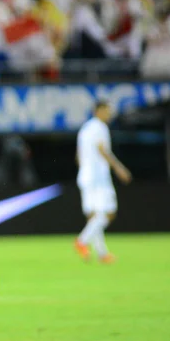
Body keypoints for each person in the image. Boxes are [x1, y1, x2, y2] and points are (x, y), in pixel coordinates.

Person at [75, 101, 132, 263]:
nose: (110, 114)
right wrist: (118, 168)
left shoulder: (84, 129)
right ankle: (82, 241)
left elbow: (78, 156)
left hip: (85, 176)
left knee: (94, 216)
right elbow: (102, 149)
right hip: (98, 178)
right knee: (109, 212)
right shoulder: (100, 127)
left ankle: (102, 253)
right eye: (107, 111)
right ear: (98, 111)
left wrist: (85, 169)